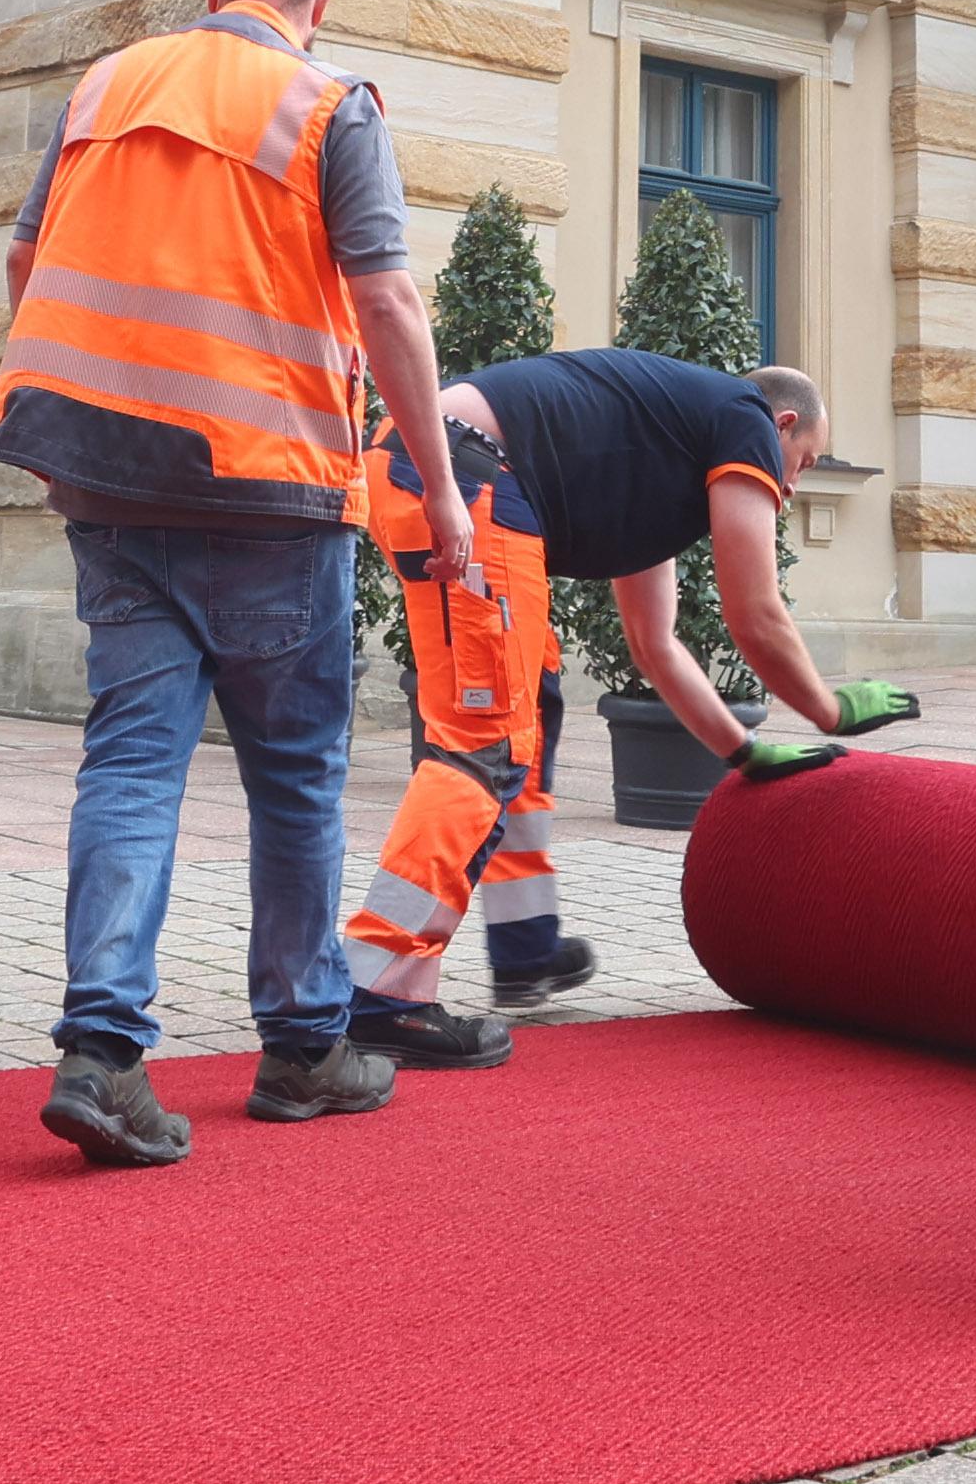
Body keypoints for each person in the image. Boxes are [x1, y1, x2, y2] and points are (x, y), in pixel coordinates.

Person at [0, 0, 474, 1168]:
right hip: (268, 490)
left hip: (112, 484)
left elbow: (28, 262)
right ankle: (305, 1048)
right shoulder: (327, 101)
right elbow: (386, 299)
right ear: (317, 2)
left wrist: (84, 420)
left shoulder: (108, 83)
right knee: (294, 775)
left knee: (132, 763)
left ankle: (102, 1053)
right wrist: (440, 488)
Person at [338, 344, 884, 1067]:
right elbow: (755, 612)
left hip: (430, 463)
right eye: (803, 461)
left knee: (530, 708)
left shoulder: (666, 458)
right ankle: (381, 991)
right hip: (462, 473)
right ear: (782, 424)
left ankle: (526, 945)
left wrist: (742, 749)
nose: (789, 486)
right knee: (483, 745)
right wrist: (828, 709)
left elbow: (654, 645)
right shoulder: (744, 416)